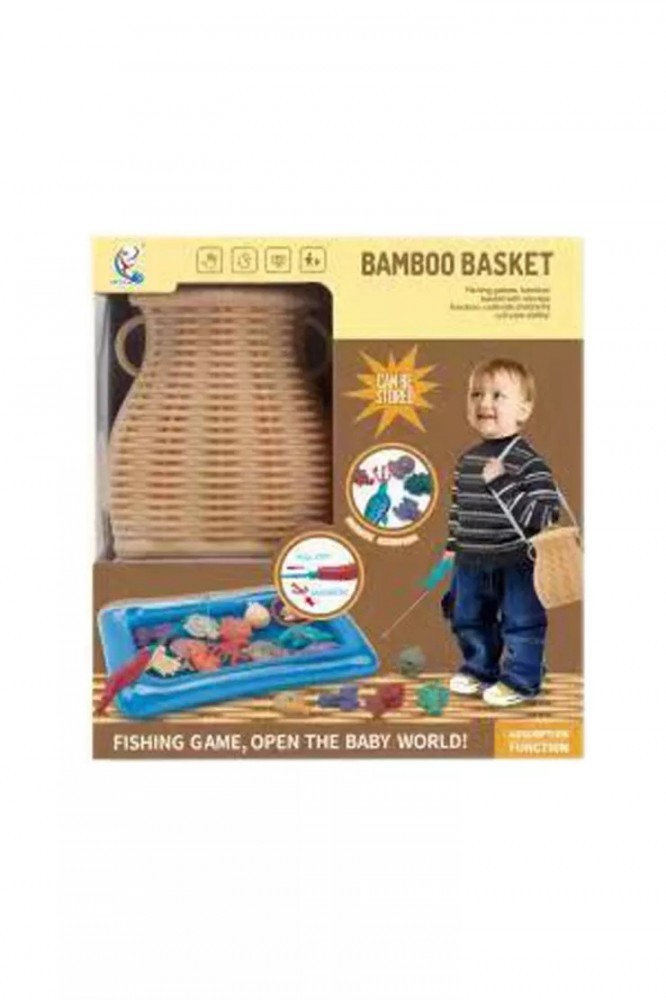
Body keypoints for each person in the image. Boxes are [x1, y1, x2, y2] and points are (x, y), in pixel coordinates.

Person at [442, 358, 559, 707]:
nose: (484, 403)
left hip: (516, 560)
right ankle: (480, 669)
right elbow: (459, 508)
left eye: (497, 395)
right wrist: (453, 545)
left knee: (522, 621)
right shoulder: (467, 461)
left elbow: (545, 515)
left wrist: (502, 483)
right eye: (476, 394)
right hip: (470, 560)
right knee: (467, 618)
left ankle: (522, 678)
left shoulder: (529, 461)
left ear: (524, 409)